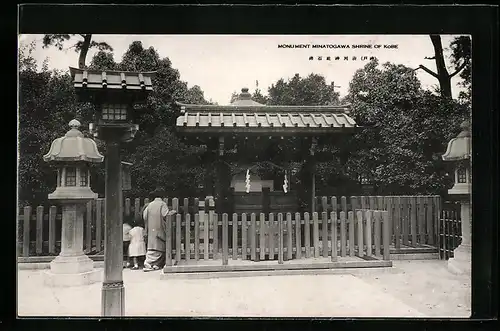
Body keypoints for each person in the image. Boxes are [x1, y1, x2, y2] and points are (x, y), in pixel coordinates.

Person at [142, 187, 171, 272]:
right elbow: (165, 214)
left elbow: (144, 216)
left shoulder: (150, 205)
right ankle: (149, 263)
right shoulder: (162, 204)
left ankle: (154, 264)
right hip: (159, 228)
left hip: (151, 229)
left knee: (152, 246)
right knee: (159, 246)